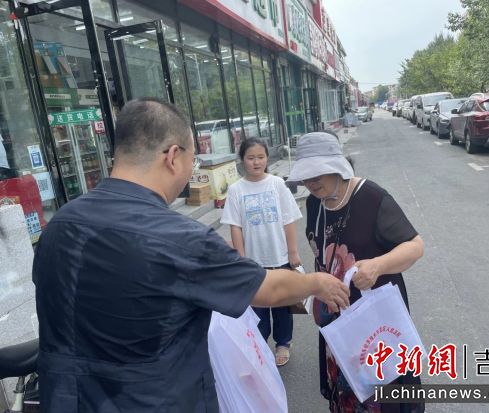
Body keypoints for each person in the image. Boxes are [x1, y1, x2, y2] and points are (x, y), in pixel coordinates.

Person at [32, 98, 350, 413]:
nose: (190, 170)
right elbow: (268, 288)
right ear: (173, 156)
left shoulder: (58, 226)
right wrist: (316, 283)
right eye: (192, 161)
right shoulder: (178, 238)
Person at [287, 131, 425, 413]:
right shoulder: (314, 203)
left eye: (317, 174)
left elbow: (415, 246)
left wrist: (378, 265)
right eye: (305, 176)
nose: (311, 182)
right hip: (338, 317)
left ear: (337, 166)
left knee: (383, 389)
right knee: (347, 389)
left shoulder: (371, 198)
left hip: (377, 319)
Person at [221, 137, 301, 367]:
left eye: (261, 157)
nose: (256, 162)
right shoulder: (236, 190)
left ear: (267, 158)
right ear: (242, 160)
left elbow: (288, 220)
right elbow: (235, 226)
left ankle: (283, 343)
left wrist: (293, 253)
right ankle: (259, 345)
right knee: (258, 308)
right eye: (251, 158)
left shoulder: (277, 184)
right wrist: (241, 258)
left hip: (280, 256)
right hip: (253, 261)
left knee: (283, 305)